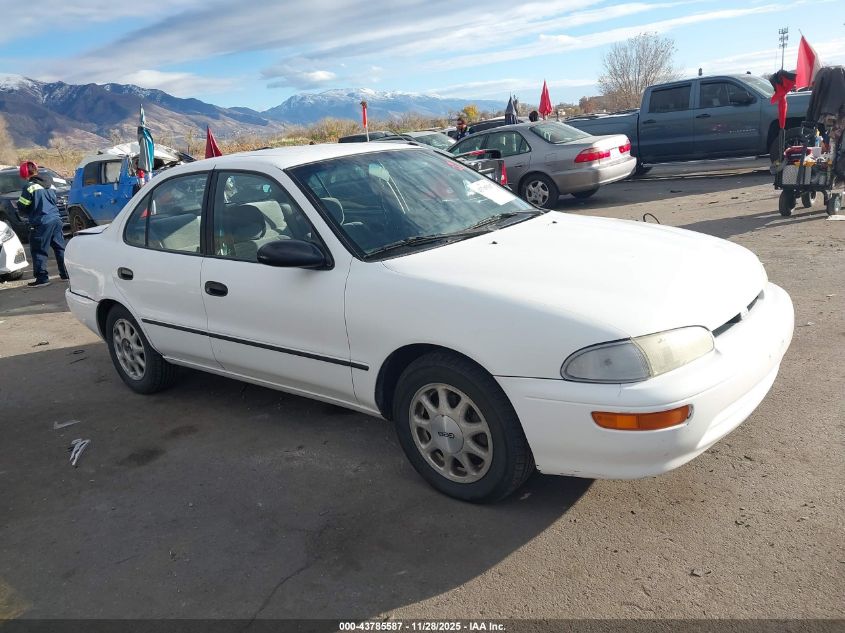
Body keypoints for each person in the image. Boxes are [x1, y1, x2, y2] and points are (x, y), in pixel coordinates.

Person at [17, 161, 67, 288]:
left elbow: (22, 206)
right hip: (56, 219)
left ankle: (42, 278)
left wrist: (28, 212)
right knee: (60, 248)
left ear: (24, 173)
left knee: (39, 250)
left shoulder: (29, 187)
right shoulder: (50, 184)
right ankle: (66, 274)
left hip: (41, 222)